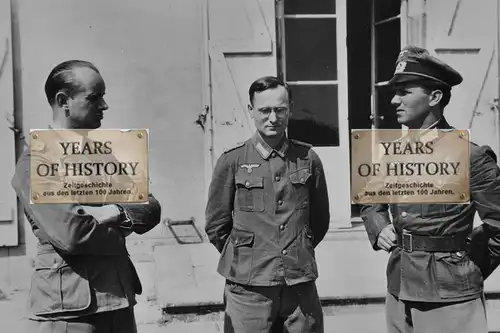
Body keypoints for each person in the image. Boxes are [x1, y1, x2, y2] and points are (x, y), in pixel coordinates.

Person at [11, 60, 162, 333]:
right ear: (63, 100)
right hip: (71, 309)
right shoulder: (37, 160)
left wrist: (113, 212)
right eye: (95, 97)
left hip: (118, 301)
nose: (104, 106)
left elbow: (150, 207)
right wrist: (124, 219)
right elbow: (72, 235)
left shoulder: (104, 154)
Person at [360, 46, 500, 333]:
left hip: (452, 296)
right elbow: (370, 201)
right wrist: (379, 225)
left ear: (435, 97)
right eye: (394, 92)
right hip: (399, 287)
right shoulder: (390, 153)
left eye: (404, 92)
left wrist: (467, 268)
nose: (394, 100)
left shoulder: (470, 156)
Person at [205, 76, 330, 333]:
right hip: (248, 288)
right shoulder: (233, 160)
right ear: (251, 111)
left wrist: (296, 250)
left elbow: (319, 220)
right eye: (264, 110)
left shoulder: (308, 158)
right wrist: (249, 255)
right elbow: (217, 225)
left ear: (290, 110)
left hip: (299, 286)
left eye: (280, 110)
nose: (273, 118)